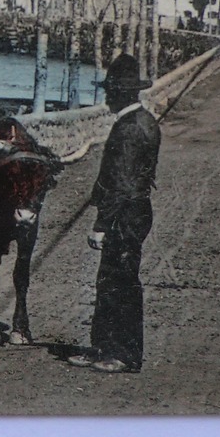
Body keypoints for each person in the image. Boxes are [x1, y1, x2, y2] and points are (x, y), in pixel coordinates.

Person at [71, 53, 161, 374]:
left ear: (119, 94)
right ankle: (101, 347)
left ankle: (123, 354)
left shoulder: (127, 129)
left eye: (110, 91)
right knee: (110, 279)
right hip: (136, 211)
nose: (106, 97)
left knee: (119, 282)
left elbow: (121, 184)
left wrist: (100, 224)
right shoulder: (147, 121)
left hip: (126, 215)